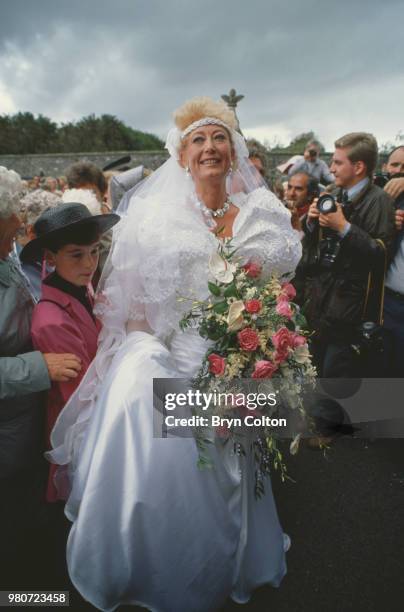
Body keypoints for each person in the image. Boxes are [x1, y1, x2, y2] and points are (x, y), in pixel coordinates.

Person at [47, 97, 302, 612]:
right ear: (182, 156)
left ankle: (242, 556)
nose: (209, 148)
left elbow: (275, 299)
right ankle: (173, 568)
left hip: (240, 365)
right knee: (178, 463)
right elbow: (136, 313)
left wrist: (262, 351)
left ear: (234, 150)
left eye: (219, 137)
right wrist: (149, 358)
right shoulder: (155, 219)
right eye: (197, 140)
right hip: (176, 362)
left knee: (242, 449)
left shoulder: (261, 214)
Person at [0, 166, 81, 579]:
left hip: (23, 422)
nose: (18, 227)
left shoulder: (4, 259)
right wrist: (37, 366)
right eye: (9, 223)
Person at [20, 203, 119, 501]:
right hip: (84, 431)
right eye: (76, 254)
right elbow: (79, 400)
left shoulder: (83, 289)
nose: (89, 263)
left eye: (94, 251)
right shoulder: (51, 320)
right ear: (50, 258)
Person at [298, 133, 395, 377]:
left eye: (338, 162)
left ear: (359, 166)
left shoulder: (379, 200)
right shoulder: (332, 192)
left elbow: (379, 255)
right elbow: (314, 246)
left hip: (350, 317)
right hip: (321, 307)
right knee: (313, 381)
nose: (331, 168)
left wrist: (343, 227)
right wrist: (310, 222)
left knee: (334, 388)